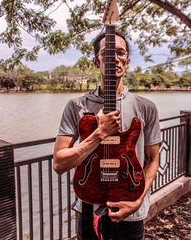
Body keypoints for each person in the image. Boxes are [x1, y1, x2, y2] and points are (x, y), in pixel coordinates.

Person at [53, 31, 161, 240]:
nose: (114, 58)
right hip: (88, 207)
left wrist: (138, 200)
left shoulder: (146, 107)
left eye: (120, 53)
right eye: (107, 53)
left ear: (127, 61)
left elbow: (153, 159)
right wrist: (99, 133)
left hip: (131, 210)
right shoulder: (76, 106)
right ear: (96, 61)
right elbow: (59, 164)